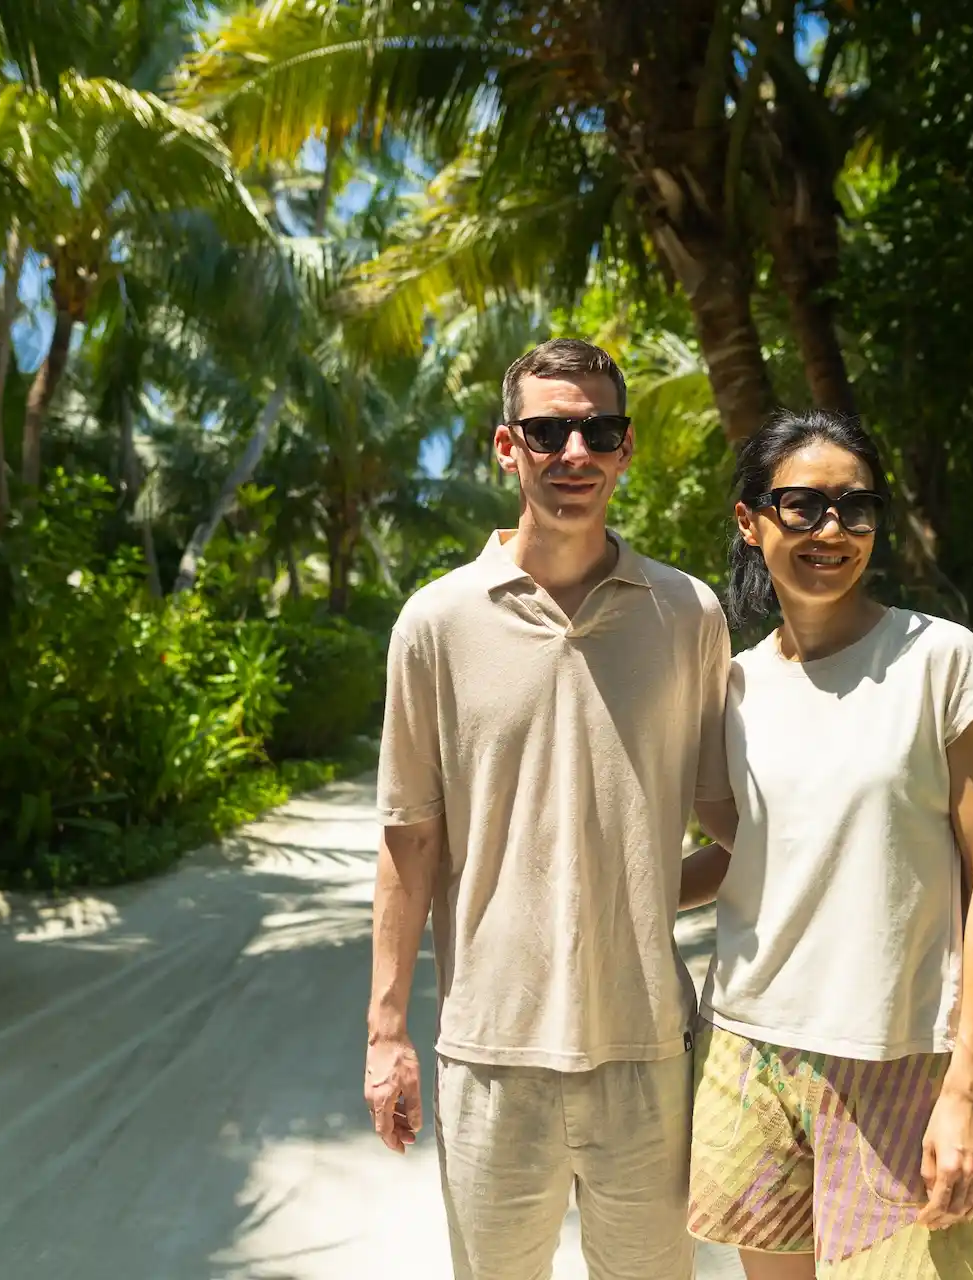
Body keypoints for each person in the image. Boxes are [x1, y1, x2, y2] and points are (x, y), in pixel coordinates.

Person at [367, 339, 734, 1280]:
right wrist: (387, 1034)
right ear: (506, 446)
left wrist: (643, 899)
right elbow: (410, 837)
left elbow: (736, 830)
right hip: (490, 1054)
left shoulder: (688, 614)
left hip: (648, 1047)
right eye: (547, 429)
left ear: (626, 447)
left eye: (598, 429)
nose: (574, 451)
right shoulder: (437, 623)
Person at [680, 409, 973, 1280]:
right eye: (803, 506)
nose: (832, 530)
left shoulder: (942, 660)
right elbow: (753, 855)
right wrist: (606, 890)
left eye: (855, 508)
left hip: (898, 1059)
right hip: (751, 1048)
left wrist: (968, 1091)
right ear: (750, 522)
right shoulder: (736, 686)